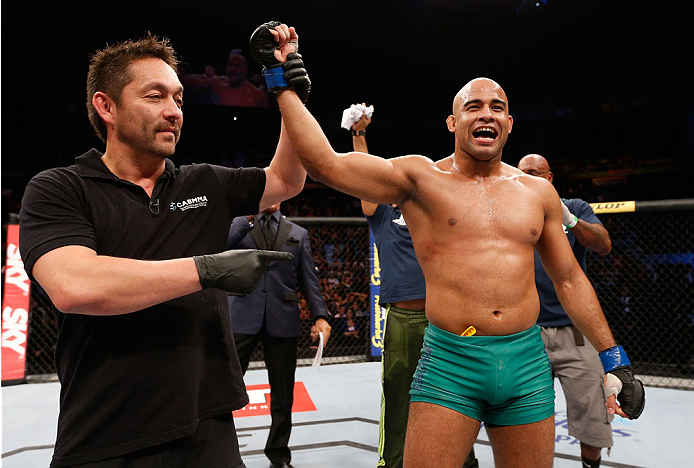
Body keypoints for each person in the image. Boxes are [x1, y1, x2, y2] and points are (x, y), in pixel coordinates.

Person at [250, 22, 645, 468]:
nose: (487, 114)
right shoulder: (421, 179)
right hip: (451, 361)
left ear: (509, 124)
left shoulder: (538, 193)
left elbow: (570, 278)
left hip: (526, 361)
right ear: (453, 122)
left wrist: (616, 360)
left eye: (498, 107)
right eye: (473, 106)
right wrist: (282, 85)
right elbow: (324, 164)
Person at [18, 31, 311, 468]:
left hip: (207, 426)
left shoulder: (204, 182)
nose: (173, 111)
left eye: (177, 98)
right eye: (155, 97)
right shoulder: (59, 188)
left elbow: (287, 180)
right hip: (107, 433)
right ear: (106, 106)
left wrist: (287, 94)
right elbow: (74, 285)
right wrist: (206, 270)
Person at [350, 107, 478, 468]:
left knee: (455, 396)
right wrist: (358, 135)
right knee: (397, 394)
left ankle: (463, 461)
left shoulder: (433, 210)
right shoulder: (380, 214)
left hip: (445, 318)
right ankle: (391, 463)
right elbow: (362, 174)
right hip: (403, 319)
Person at [517, 154, 614, 468]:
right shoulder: (509, 210)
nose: (526, 178)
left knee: (593, 416)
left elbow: (603, 244)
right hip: (526, 331)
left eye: (533, 173)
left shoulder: (576, 206)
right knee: (524, 416)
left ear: (549, 177)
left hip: (575, 330)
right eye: (521, 174)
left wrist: (568, 218)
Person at [227, 203, 332, 468]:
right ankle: (220, 452)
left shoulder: (297, 232)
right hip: (241, 314)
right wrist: (247, 215)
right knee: (226, 387)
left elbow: (309, 279)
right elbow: (220, 247)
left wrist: (320, 316)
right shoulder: (238, 223)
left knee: (283, 394)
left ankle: (279, 455)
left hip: (282, 317)